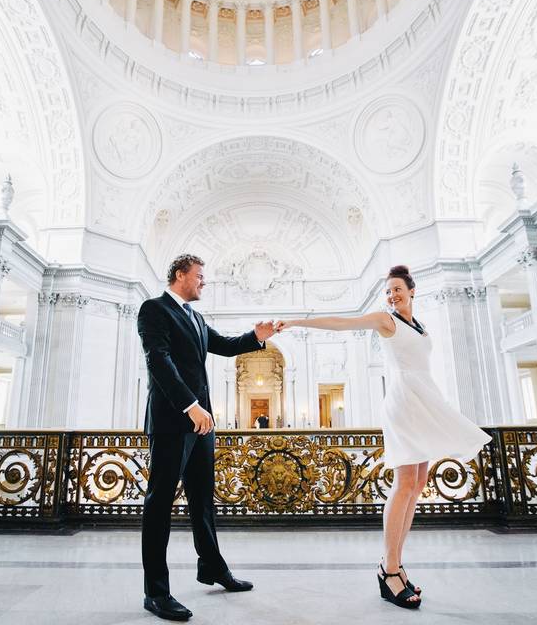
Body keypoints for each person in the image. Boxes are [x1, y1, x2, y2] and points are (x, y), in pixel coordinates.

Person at [275, 265, 491, 610]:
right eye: (388, 291)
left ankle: (397, 563)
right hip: (404, 403)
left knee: (418, 484)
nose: (392, 295)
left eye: (397, 289)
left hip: (423, 399)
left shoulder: (418, 325)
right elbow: (341, 322)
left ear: (411, 290)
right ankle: (388, 570)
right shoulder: (386, 320)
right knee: (405, 483)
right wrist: (298, 323)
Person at [137, 253, 277, 621]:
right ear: (180, 274)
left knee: (202, 500)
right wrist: (190, 405)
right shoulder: (153, 309)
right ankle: (156, 592)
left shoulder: (196, 318)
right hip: (173, 421)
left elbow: (226, 345)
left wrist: (256, 338)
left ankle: (211, 567)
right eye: (200, 276)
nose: (204, 282)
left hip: (201, 426)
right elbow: (158, 361)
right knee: (159, 503)